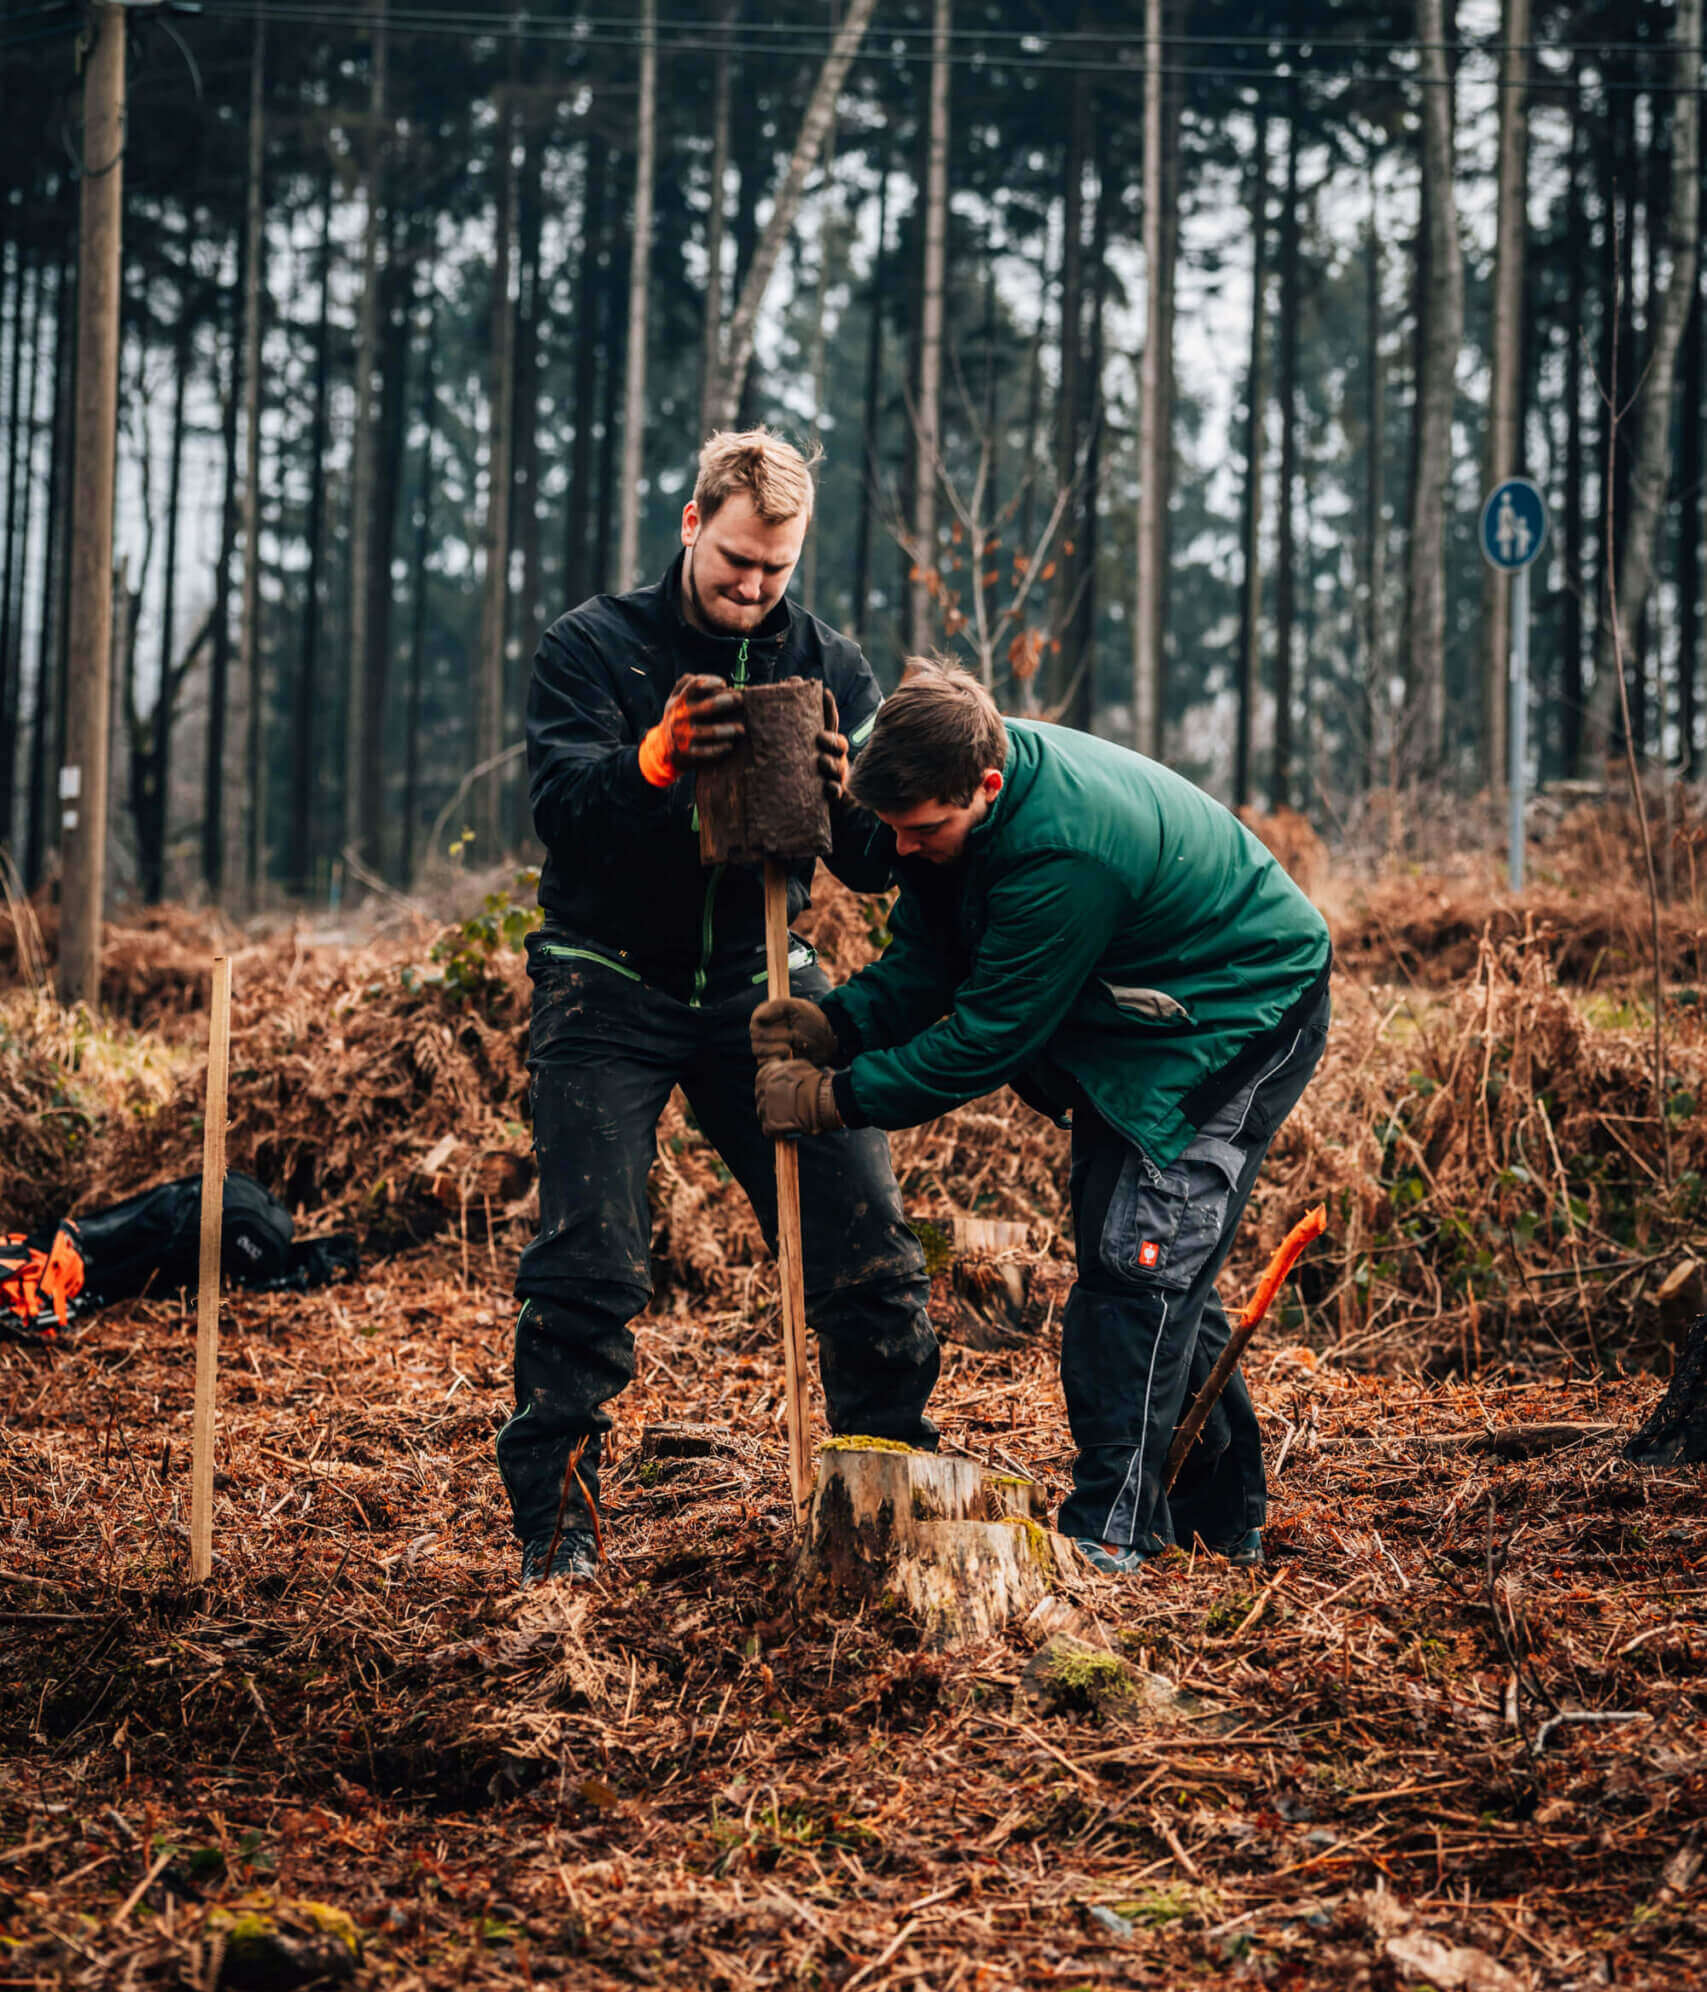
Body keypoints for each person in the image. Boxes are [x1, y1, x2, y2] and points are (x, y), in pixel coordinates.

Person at [751, 663, 1331, 1573]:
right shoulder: (944, 789)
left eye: (922, 830)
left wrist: (837, 1097)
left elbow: (986, 1036)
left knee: (1135, 1272)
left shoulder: (1061, 859)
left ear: (985, 787)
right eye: (892, 830)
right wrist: (840, 1023)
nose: (901, 851)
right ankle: (1222, 1521)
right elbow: (934, 954)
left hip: (1233, 1016)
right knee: (1151, 1253)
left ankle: (1113, 1532)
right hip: (1133, 1017)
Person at [502, 429, 940, 1583]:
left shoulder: (829, 661)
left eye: (774, 573)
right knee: (589, 1261)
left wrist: (856, 800)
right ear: (693, 525)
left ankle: (881, 1495)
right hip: (606, 981)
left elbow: (878, 861)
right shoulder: (592, 647)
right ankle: (559, 1536)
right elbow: (560, 808)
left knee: (869, 1251)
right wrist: (652, 762)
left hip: (765, 986)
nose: (751, 590)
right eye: (736, 562)